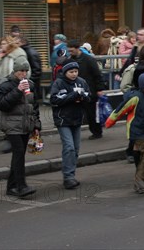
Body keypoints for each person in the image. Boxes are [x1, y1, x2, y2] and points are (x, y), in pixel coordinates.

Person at [105, 73, 144, 194]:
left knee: (141, 156)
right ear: (142, 87)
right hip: (136, 131)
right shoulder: (136, 97)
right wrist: (110, 121)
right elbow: (121, 109)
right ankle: (140, 179)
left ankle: (139, 181)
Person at [0, 56, 41, 198]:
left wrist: (36, 125)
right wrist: (18, 90)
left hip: (25, 125)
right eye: (21, 70)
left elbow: (35, 106)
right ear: (15, 70)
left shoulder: (31, 85)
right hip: (10, 125)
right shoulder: (5, 84)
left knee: (19, 155)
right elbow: (1, 104)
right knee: (19, 152)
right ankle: (21, 186)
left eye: (26, 71)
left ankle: (11, 187)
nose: (24, 74)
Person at [49, 61, 90, 190]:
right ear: (65, 72)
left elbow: (89, 97)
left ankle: (71, 174)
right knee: (69, 147)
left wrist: (83, 97)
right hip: (63, 120)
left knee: (76, 148)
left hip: (76, 119)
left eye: (75, 72)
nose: (74, 74)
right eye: (71, 72)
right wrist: (72, 96)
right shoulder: (58, 83)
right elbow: (54, 100)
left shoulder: (81, 82)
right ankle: (68, 177)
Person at [67, 40, 106, 140]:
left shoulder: (89, 60)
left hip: (89, 91)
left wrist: (99, 88)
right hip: (76, 91)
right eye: (69, 51)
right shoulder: (71, 60)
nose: (70, 53)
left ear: (77, 48)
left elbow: (97, 74)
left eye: (71, 51)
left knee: (91, 114)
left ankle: (97, 132)